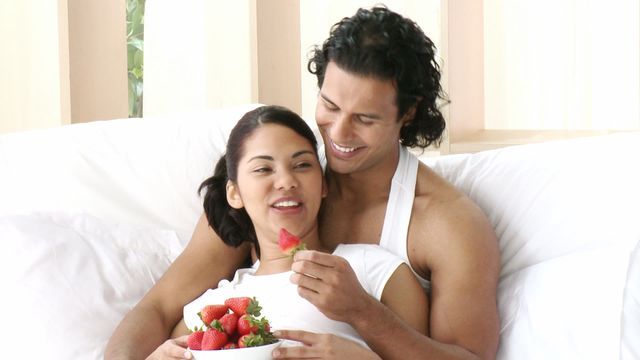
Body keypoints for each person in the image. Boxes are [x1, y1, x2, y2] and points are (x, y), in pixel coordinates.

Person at [105, 5, 499, 360]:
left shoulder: (447, 225)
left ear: (408, 113)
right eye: (329, 106)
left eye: (365, 118)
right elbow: (158, 309)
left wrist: (361, 313)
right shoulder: (271, 188)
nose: (339, 133)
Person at [159, 105, 427, 358]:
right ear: (235, 193)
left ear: (323, 185)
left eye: (302, 165)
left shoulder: (376, 271)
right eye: (263, 169)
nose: (287, 181)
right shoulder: (211, 308)